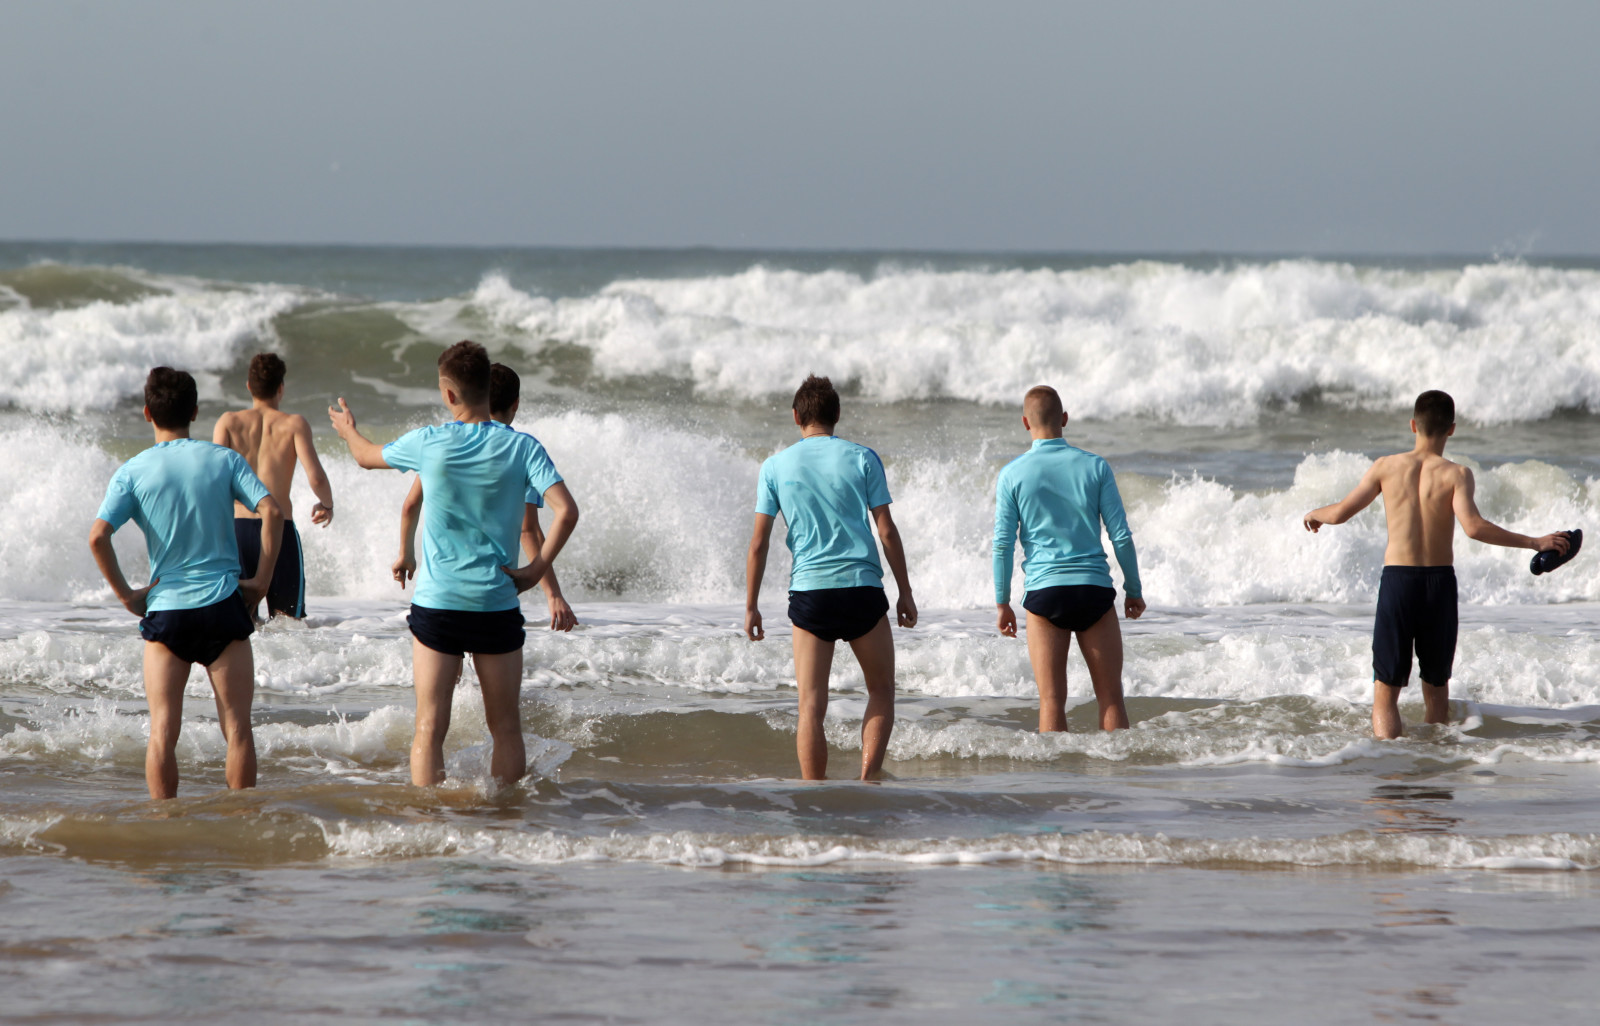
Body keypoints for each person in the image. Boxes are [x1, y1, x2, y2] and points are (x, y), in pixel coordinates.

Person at [328, 340, 580, 788]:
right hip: (495, 603)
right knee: (505, 729)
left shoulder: (430, 442)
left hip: (439, 604)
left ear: (448, 395)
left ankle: (431, 828)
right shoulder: (523, 447)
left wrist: (348, 429)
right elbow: (566, 511)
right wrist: (536, 571)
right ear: (490, 388)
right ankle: (503, 822)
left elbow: (366, 457)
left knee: (429, 729)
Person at [1303, 389, 1571, 739]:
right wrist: (1535, 542)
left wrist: (1314, 514)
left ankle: (1390, 772)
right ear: (1452, 429)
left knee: (1385, 692)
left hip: (1398, 582)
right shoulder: (1458, 474)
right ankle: (1432, 775)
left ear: (1413, 424)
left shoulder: (1385, 466)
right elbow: (1474, 528)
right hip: (1438, 586)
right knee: (1436, 690)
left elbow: (1339, 513)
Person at [88, 367, 284, 799]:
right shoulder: (223, 459)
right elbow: (271, 512)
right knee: (237, 729)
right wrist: (261, 582)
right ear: (195, 411)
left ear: (146, 413)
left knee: (162, 732)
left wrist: (127, 597)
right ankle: (241, 823)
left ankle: (164, 828)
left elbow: (98, 536)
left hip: (168, 609)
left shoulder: (133, 471)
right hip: (222, 605)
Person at [744, 374, 917, 781]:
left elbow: (758, 543)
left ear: (795, 416)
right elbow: (887, 531)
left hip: (811, 594)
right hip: (861, 590)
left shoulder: (775, 466)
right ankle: (868, 778)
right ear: (836, 414)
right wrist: (905, 592)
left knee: (810, 706)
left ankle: (813, 795)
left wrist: (751, 606)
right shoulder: (862, 457)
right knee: (880, 691)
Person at [993, 385, 1145, 733]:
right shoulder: (1095, 466)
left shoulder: (1012, 475)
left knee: (1051, 701)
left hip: (1046, 593)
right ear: (1064, 419)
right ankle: (1117, 779)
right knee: (1110, 697)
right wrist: (1133, 590)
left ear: (1025, 423)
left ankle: (1054, 784)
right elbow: (1120, 534)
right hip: (1093, 589)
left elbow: (1003, 544)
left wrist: (1002, 602)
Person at [394, 363, 577, 632]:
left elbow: (411, 504)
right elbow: (529, 530)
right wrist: (553, 594)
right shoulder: (518, 452)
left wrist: (406, 554)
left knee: (446, 667)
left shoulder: (445, 443)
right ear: (515, 404)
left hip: (441, 590)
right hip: (492, 594)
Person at [213, 353, 334, 620]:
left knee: (240, 624)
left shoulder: (228, 423)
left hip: (237, 531)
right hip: (280, 532)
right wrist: (327, 504)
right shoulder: (294, 425)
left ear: (248, 386)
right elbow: (316, 478)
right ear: (281, 387)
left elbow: (215, 480)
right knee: (288, 624)